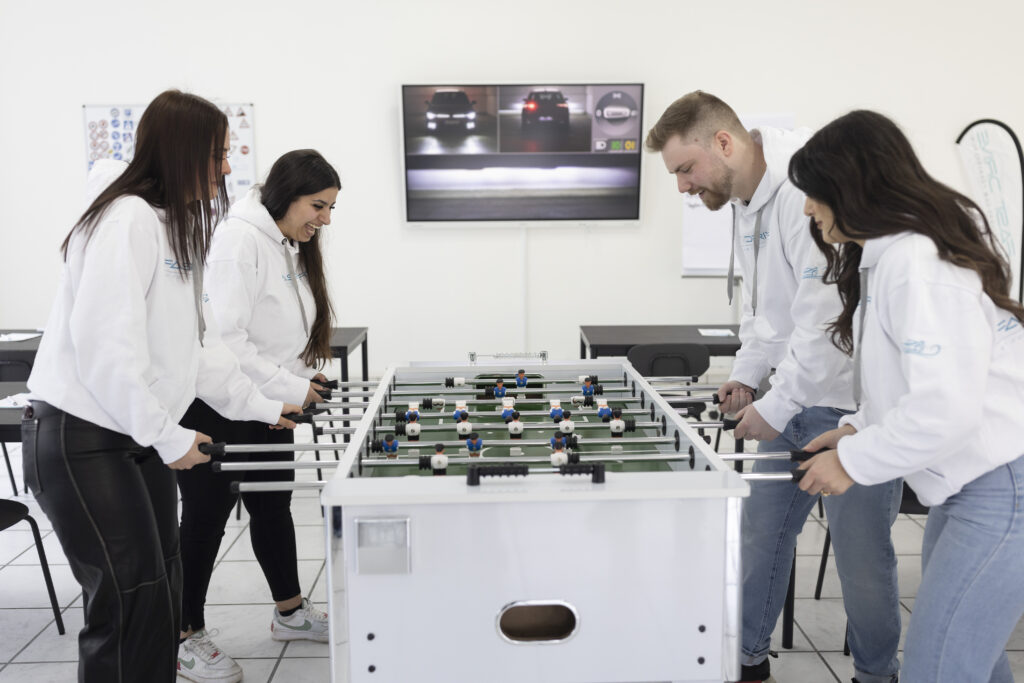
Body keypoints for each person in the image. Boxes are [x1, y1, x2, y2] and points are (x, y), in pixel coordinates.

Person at [21, 89, 299, 683]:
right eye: (219, 153)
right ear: (181, 151)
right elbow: (105, 351)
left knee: (162, 587)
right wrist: (167, 436)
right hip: (81, 439)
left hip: (129, 436)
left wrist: (262, 406)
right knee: (127, 601)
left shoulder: (179, 225)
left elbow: (200, 349)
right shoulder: (124, 220)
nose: (228, 167)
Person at [646, 91, 901, 683]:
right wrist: (744, 375)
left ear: (724, 143)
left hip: (847, 412)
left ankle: (875, 674)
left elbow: (821, 322)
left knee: (863, 562)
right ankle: (746, 662)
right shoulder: (745, 200)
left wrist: (777, 404)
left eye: (686, 169)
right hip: (793, 400)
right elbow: (767, 315)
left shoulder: (801, 194)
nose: (683, 187)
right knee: (759, 535)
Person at [791, 110, 1024, 683]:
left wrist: (851, 461)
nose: (807, 209)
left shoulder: (917, 264)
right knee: (973, 659)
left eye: (814, 194)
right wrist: (857, 427)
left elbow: (945, 408)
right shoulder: (893, 256)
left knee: (939, 667)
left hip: (1001, 484)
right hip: (972, 484)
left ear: (850, 187)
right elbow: (907, 379)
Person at [176, 150, 342, 682]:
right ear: (287, 194)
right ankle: (183, 635)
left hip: (266, 403)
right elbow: (224, 344)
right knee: (205, 518)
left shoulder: (283, 242)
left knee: (273, 505)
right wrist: (285, 390)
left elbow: (273, 333)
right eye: (318, 205)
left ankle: (290, 613)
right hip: (220, 403)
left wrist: (297, 383)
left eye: (331, 208)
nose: (325, 219)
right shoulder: (239, 241)